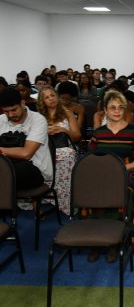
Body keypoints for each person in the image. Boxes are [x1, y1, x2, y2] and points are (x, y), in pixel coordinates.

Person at [87, 90, 134, 262]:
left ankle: (115, 242)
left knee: (125, 189)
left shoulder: (133, 131)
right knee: (91, 190)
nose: (117, 111)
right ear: (105, 110)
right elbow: (91, 157)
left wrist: (121, 168)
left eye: (120, 107)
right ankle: (96, 242)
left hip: (126, 171)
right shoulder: (99, 133)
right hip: (102, 172)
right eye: (112, 108)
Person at [37, 87, 80, 215]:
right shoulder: (39, 117)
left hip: (66, 146)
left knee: (68, 155)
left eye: (52, 95)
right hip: (45, 148)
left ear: (57, 96)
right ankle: (45, 195)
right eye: (47, 97)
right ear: (42, 101)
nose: (51, 99)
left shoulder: (67, 113)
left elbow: (77, 136)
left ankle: (65, 201)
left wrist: (63, 130)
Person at [0, 87, 52, 190]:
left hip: (34, 171)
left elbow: (26, 153)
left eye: (14, 110)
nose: (10, 115)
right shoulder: (1, 120)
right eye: (6, 111)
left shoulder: (38, 120)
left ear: (22, 103)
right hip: (6, 167)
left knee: (16, 170)